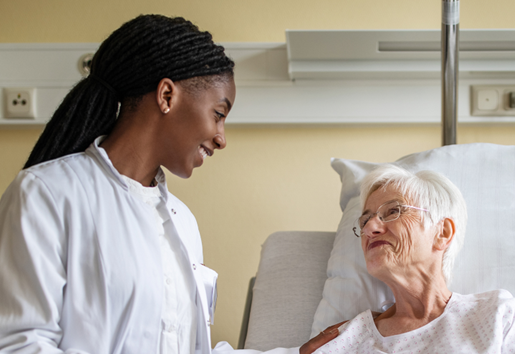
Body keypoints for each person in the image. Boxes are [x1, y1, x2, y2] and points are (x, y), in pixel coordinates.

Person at [0, 14, 339, 354]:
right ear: (166, 96)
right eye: (219, 114)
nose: (221, 139)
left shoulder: (181, 221)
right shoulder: (46, 194)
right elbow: (19, 344)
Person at [310, 164, 515, 353]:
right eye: (364, 221)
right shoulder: (346, 339)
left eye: (393, 211)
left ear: (442, 232)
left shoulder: (499, 316)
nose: (370, 227)